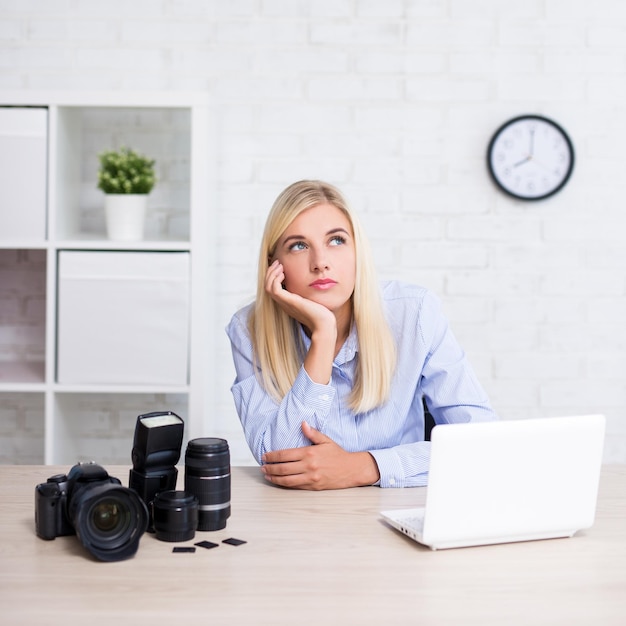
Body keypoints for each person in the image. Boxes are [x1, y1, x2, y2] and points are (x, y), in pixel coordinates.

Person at [226, 180, 497, 490]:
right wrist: (323, 337)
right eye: (298, 245)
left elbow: (481, 441)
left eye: (336, 240)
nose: (321, 263)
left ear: (358, 251)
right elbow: (278, 460)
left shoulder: (414, 313)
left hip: (398, 512)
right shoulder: (248, 331)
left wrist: (365, 467)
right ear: (276, 265)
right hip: (301, 518)